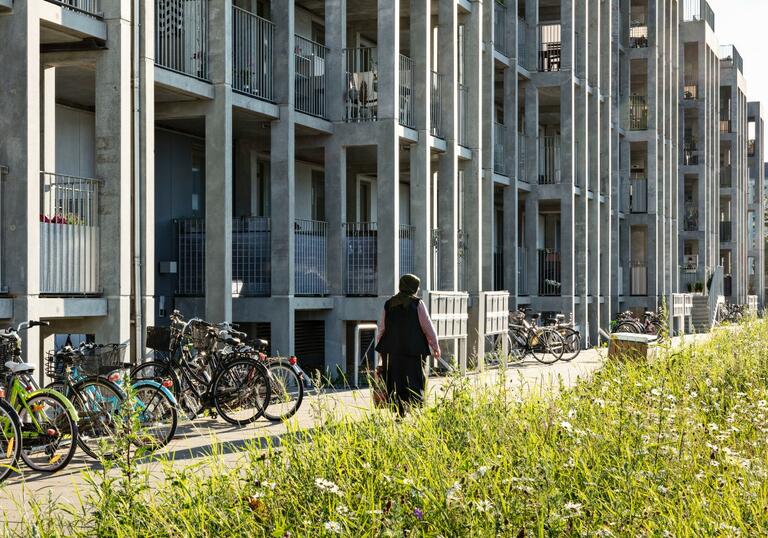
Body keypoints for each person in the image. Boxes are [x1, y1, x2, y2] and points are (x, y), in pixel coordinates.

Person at [375, 274, 441, 416]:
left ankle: (399, 410)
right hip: (414, 350)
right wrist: (435, 346)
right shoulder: (418, 304)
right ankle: (411, 406)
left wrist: (380, 347)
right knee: (413, 378)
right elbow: (427, 326)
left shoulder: (389, 304)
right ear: (414, 287)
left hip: (391, 350)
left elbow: (382, 327)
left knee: (394, 379)